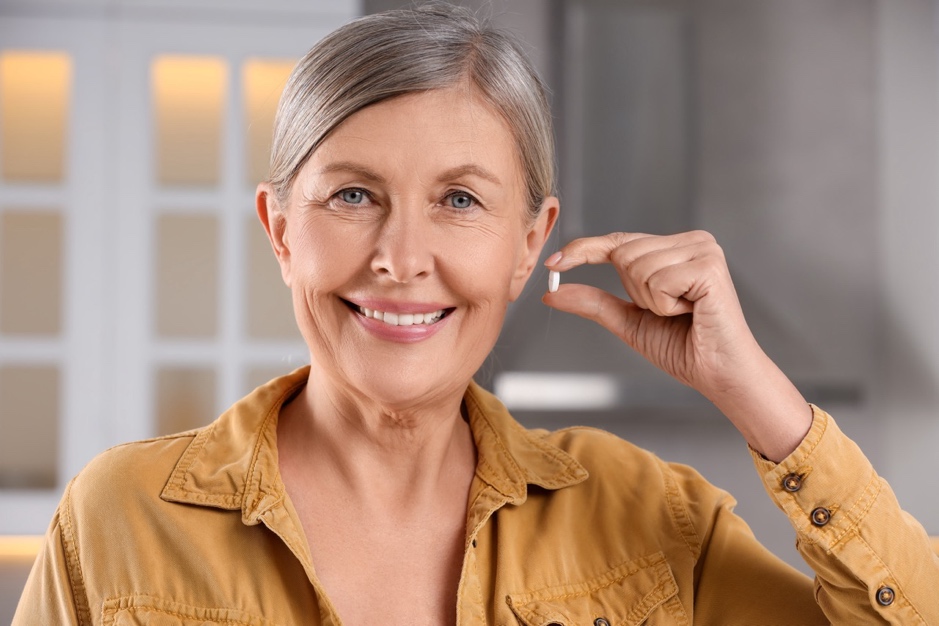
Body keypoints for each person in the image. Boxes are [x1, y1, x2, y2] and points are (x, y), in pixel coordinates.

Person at [14, 4, 939, 625]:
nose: (400, 257)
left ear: (528, 241)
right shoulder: (118, 521)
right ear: (280, 227)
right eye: (351, 196)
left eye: (460, 201)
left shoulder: (652, 520)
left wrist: (758, 396)